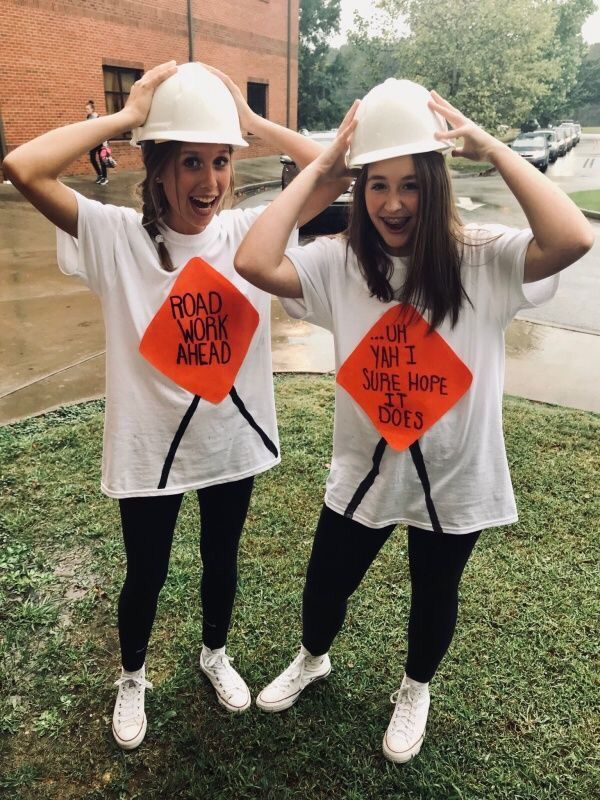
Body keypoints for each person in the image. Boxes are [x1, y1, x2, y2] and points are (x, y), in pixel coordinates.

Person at [234, 79, 593, 763]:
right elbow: (253, 260)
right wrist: (328, 162)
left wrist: (487, 144)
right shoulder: (341, 263)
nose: (393, 203)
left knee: (434, 593)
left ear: (437, 183)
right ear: (359, 190)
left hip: (457, 477)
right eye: (376, 184)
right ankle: (313, 658)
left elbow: (573, 235)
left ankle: (415, 687)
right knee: (324, 585)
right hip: (364, 475)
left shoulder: (482, 259)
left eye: (411, 184)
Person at [3, 61, 349, 751]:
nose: (211, 181)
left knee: (223, 558)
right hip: (149, 446)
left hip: (229, 440)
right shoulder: (113, 236)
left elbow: (337, 175)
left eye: (221, 161)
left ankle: (213, 654)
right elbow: (23, 166)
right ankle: (132, 676)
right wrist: (128, 118)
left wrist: (253, 126)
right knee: (148, 571)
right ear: (156, 167)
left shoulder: (251, 232)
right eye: (191, 161)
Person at [85, 100, 108, 186]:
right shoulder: (88, 118)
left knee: (102, 160)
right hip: (93, 142)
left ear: (92, 109)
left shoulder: (98, 117)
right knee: (92, 159)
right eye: (86, 109)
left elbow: (104, 131)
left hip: (101, 142)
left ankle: (105, 178)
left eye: (87, 109)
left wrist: (105, 145)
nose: (86, 110)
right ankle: (100, 174)